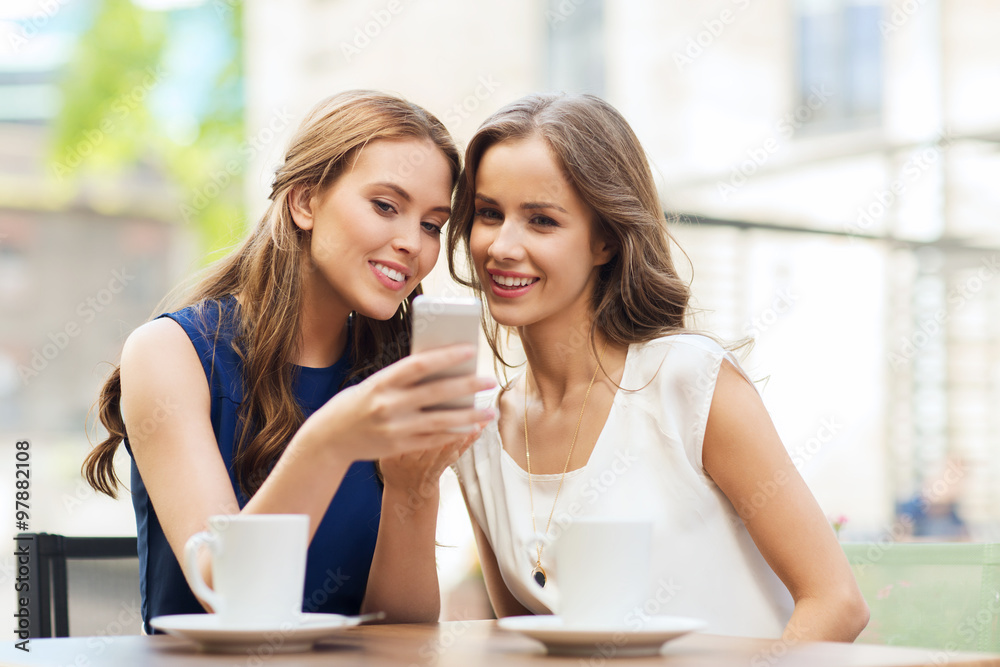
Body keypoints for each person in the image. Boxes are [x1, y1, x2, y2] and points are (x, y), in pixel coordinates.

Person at [446, 93, 869, 641]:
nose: (502, 245)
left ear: (604, 239)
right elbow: (528, 638)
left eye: (542, 221)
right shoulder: (479, 432)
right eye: (488, 213)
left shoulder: (688, 381)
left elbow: (835, 602)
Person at [82, 90, 497, 633]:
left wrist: (412, 488)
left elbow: (403, 631)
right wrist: (331, 441)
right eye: (386, 206)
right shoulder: (170, 355)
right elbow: (225, 591)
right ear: (304, 202)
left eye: (431, 225)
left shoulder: (389, 380)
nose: (411, 243)